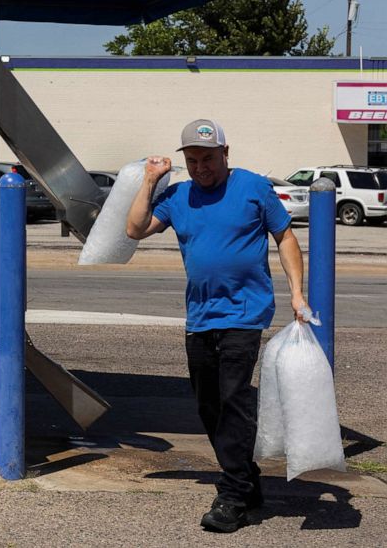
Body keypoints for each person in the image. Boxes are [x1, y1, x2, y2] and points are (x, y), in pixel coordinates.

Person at [125, 119, 307, 533]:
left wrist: (297, 293)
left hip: (245, 313)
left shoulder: (253, 187)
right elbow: (134, 229)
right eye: (192, 160)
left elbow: (286, 237)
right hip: (200, 316)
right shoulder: (177, 196)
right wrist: (150, 181)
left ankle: (232, 495)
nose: (201, 167)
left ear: (226, 153)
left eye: (208, 158)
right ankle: (246, 478)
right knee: (208, 404)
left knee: (233, 400)